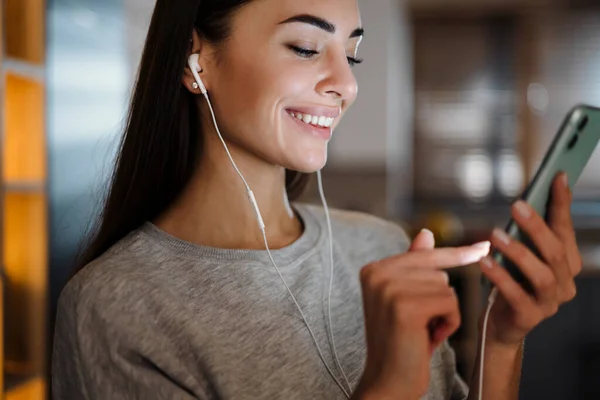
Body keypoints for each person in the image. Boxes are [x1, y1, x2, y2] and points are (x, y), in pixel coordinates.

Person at [51, 0, 582, 399]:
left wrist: (501, 339)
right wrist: (388, 387)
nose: (346, 84)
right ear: (197, 59)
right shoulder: (116, 306)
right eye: (306, 48)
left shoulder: (382, 247)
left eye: (352, 54)